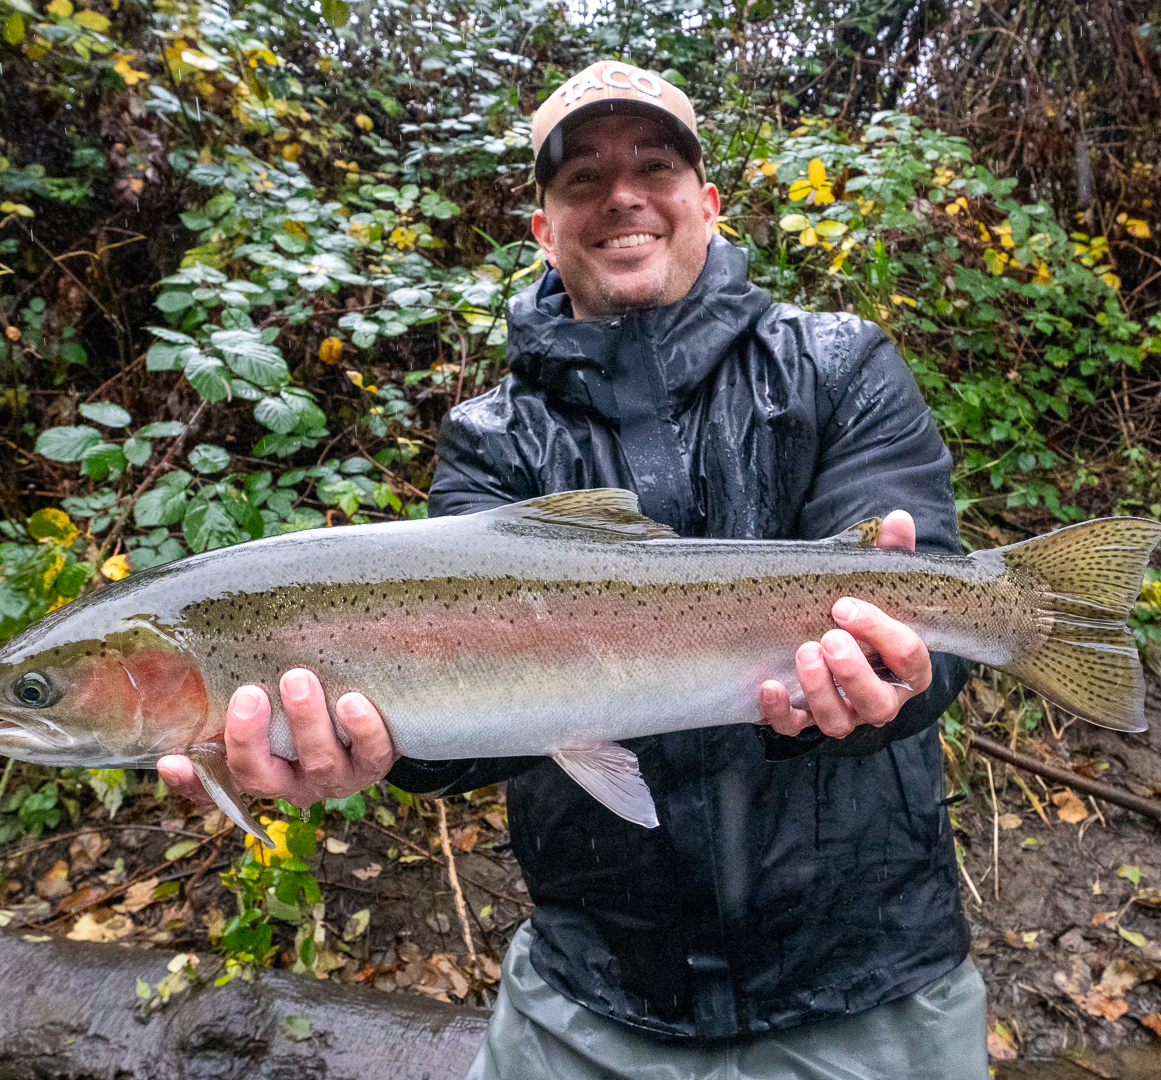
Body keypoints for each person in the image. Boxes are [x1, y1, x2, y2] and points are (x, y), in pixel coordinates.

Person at [159, 60, 986, 1079]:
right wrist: (374, 751)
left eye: (655, 166)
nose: (623, 196)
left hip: (867, 976)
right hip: (596, 986)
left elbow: (933, 640)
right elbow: (465, 726)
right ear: (543, 228)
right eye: (582, 179)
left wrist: (893, 686)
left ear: (708, 204)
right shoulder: (490, 439)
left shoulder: (842, 365)